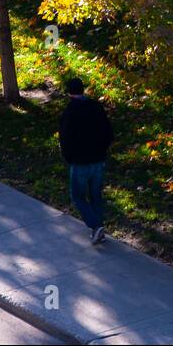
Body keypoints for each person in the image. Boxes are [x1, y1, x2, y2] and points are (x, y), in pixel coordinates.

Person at [58, 77, 113, 244]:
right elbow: (108, 132)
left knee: (78, 196)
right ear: (83, 90)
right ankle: (99, 231)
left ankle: (96, 226)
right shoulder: (96, 107)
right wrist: (102, 151)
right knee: (96, 195)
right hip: (98, 160)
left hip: (80, 163)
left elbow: (65, 138)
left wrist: (69, 157)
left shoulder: (69, 113)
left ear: (68, 93)